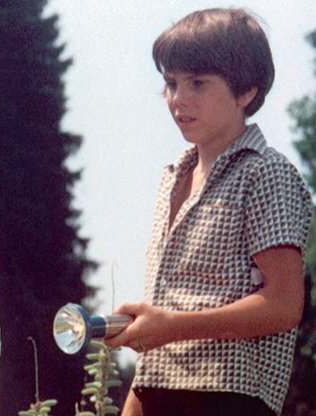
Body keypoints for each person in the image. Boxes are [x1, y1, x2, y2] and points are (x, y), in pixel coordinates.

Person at [104, 8, 312, 416]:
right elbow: (162, 321)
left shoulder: (265, 172)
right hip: (160, 394)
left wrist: (172, 327)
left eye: (198, 83)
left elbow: (284, 304)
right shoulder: (172, 178)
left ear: (246, 90)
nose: (179, 98)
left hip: (228, 398)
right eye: (171, 83)